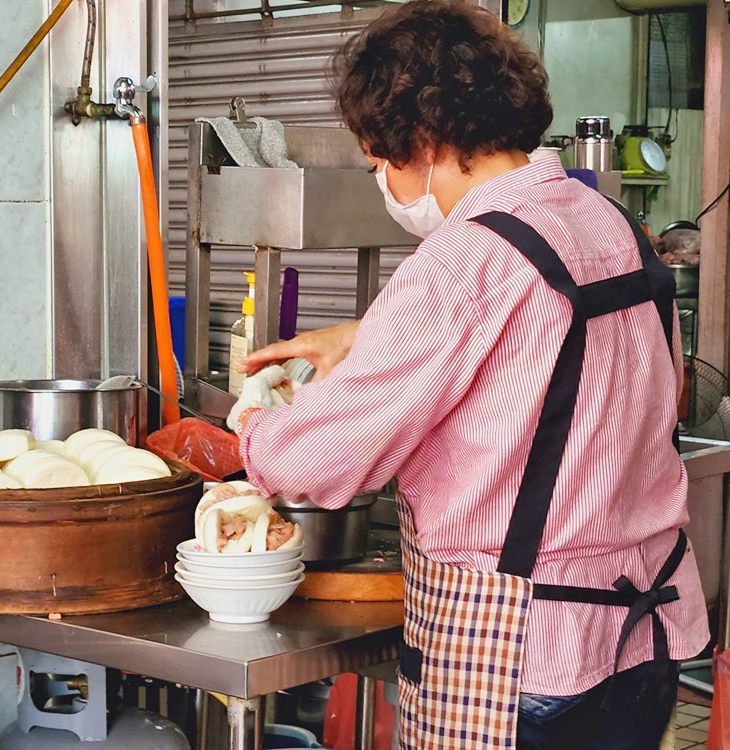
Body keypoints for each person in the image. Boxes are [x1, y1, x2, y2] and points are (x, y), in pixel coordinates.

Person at [225, 2, 709, 749]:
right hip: (640, 649)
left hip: (519, 662)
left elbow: (311, 465)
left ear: (422, 138)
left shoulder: (465, 259)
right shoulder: (608, 220)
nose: (384, 179)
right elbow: (566, 348)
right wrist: (366, 340)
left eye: (381, 160)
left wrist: (254, 425)